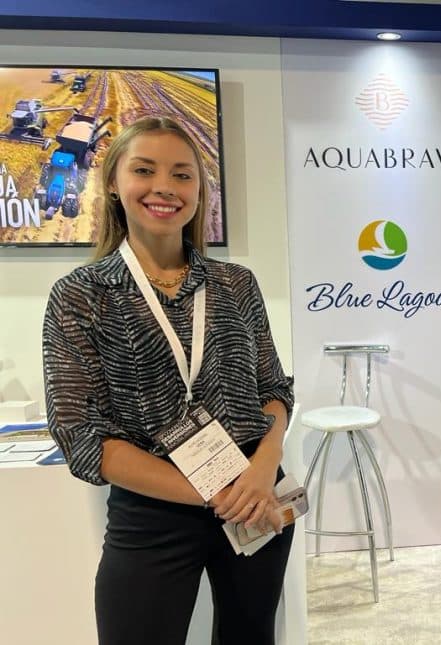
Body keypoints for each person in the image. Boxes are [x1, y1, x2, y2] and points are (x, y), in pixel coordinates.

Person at [42, 115, 294, 645]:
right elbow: (82, 436)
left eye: (182, 174)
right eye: (144, 170)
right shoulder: (81, 295)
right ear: (114, 183)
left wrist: (262, 469)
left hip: (253, 497)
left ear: (200, 191)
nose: (164, 187)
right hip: (153, 514)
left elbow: (274, 390)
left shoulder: (236, 284)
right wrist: (214, 492)